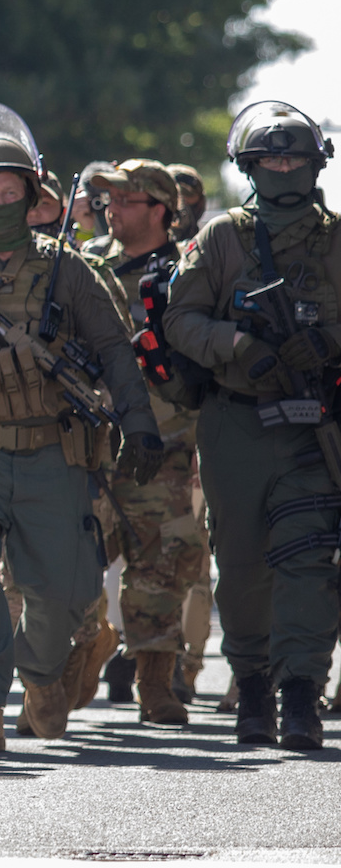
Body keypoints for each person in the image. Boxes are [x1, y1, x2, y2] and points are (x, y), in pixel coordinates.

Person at [0, 102, 162, 753]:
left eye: (9, 190)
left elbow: (113, 350)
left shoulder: (68, 270)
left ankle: (42, 674)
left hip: (53, 454)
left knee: (66, 591)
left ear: (31, 195)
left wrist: (140, 427)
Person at [164, 100, 341, 750]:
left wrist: (325, 343)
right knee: (239, 567)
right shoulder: (221, 238)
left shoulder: (337, 239)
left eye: (294, 157)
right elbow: (179, 320)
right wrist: (240, 348)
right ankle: (253, 686)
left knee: (307, 560)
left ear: (316, 163)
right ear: (249, 166)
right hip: (235, 424)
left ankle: (301, 694)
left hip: (312, 427)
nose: (283, 167)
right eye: (270, 158)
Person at [85, 159, 206, 726]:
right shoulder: (85, 267)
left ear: (160, 209)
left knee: (160, 566)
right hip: (90, 441)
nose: (111, 208)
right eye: (107, 199)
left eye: (126, 200)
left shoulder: (187, 271)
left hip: (163, 443)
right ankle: (69, 666)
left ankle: (155, 684)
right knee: (73, 561)